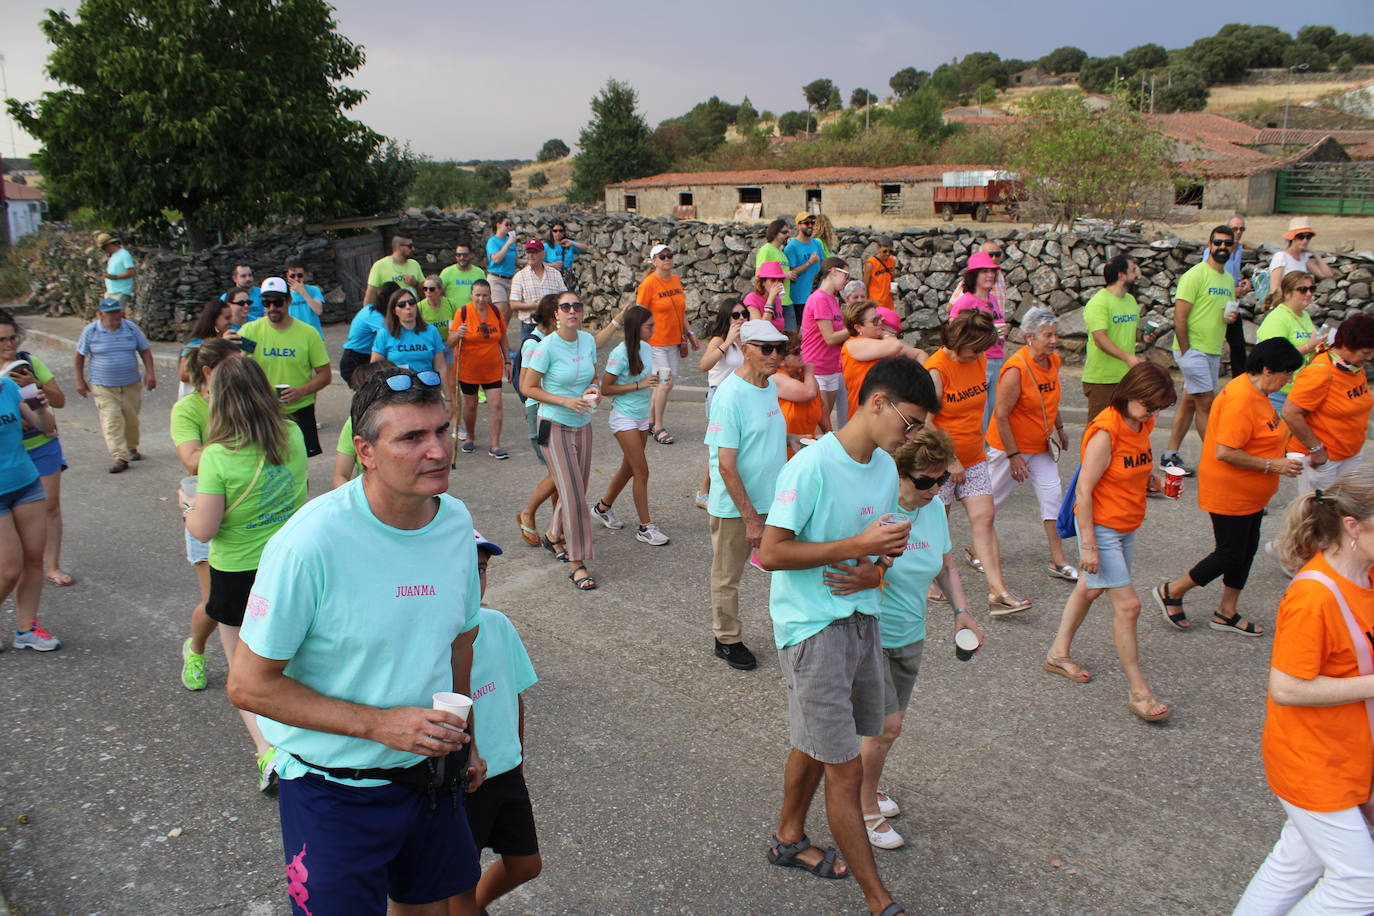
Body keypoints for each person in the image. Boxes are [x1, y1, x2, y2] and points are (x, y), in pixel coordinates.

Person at [228, 367, 486, 916]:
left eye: (442, 430)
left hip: (430, 776)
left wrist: (469, 738)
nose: (438, 450)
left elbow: (460, 642)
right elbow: (248, 686)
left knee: (428, 908)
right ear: (365, 451)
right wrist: (378, 724)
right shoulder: (309, 545)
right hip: (333, 792)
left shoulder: (455, 522)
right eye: (411, 437)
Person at [757, 356, 938, 916]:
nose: (913, 436)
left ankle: (789, 837)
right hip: (812, 630)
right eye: (910, 423)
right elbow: (771, 553)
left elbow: (885, 546)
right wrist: (857, 548)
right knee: (846, 766)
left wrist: (875, 570)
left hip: (863, 623)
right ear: (878, 402)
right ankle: (879, 901)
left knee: (819, 739)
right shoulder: (811, 466)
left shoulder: (884, 468)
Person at [1233, 466, 1374, 916]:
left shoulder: (1366, 575)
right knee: (1361, 887)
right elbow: (1288, 688)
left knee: (1294, 863)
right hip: (1313, 762)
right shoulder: (1314, 597)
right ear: (1353, 527)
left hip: (1344, 753)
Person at [182, 355, 309, 791]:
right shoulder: (292, 433)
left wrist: (187, 508)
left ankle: (268, 753)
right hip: (288, 562)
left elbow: (204, 528)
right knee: (291, 658)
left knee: (245, 671)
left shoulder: (217, 456)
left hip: (237, 570)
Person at [859, 429, 982, 850]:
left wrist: (962, 612)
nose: (935, 489)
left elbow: (946, 567)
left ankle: (865, 785)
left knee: (887, 729)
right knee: (885, 727)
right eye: (925, 481)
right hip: (870, 632)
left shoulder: (931, 511)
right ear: (899, 475)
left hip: (911, 634)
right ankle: (864, 808)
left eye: (942, 479)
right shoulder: (877, 513)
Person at [1045, 362, 1178, 723]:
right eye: (1149, 405)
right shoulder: (1106, 431)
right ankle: (1139, 693)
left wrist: (1152, 480)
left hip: (1125, 524)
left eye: (1158, 407)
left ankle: (1058, 653)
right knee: (1129, 607)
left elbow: (1132, 466)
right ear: (1130, 393)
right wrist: (1088, 545)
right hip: (1102, 528)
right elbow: (1084, 491)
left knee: (1090, 589)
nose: (1153, 413)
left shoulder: (1142, 423)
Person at [1152, 338, 1305, 637]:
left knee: (1245, 550)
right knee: (1230, 553)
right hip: (1230, 491)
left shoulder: (1259, 393)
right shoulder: (1241, 399)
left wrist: (1281, 456)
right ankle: (1172, 590)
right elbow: (1225, 452)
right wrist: (1274, 465)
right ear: (1267, 369)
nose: (1289, 379)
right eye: (1287, 373)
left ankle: (1226, 611)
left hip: (1252, 493)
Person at [925, 311, 1030, 615]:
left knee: (985, 518)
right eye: (975, 349)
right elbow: (925, 423)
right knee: (937, 524)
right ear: (959, 342)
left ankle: (998, 591)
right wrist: (950, 460)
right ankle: (929, 576)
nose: (980, 355)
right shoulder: (936, 369)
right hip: (940, 462)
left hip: (974, 457)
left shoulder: (979, 360)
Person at [463, 532, 542, 914]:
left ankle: (471, 906)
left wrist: (518, 756)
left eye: (480, 570)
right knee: (458, 877)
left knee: (526, 863)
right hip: (461, 783)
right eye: (462, 572)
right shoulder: (426, 644)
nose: (473, 581)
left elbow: (514, 694)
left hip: (505, 770)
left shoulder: (497, 625)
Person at [706, 320, 790, 671]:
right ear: (745, 349)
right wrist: (751, 518)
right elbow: (726, 466)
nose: (776, 356)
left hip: (774, 501)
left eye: (780, 349)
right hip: (737, 508)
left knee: (786, 568)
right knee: (727, 576)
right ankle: (726, 639)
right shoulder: (729, 396)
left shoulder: (768, 386)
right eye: (766, 349)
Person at [985, 307, 1077, 581]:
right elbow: (1001, 415)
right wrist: (1013, 455)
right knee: (990, 503)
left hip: (1040, 446)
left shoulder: (1053, 361)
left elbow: (1050, 398)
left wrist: (1060, 428)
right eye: (1047, 335)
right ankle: (977, 549)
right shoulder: (1016, 369)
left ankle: (1058, 560)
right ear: (1029, 337)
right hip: (1008, 447)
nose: (1054, 340)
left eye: (1055, 335)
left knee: (1053, 497)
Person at [170, 338, 241, 691]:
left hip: (246, 507)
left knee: (254, 600)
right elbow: (191, 459)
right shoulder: (187, 409)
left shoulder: (243, 398)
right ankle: (195, 649)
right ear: (209, 372)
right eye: (231, 366)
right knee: (216, 603)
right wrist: (239, 436)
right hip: (205, 507)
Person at [522, 291, 601, 591]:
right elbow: (528, 387)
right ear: (556, 314)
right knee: (573, 496)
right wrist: (564, 401)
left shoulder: (588, 341)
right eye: (565, 306)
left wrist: (594, 390)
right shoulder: (546, 347)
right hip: (553, 425)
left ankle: (553, 534)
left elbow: (593, 377)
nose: (572, 310)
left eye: (576, 306)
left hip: (583, 423)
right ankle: (576, 563)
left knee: (577, 487)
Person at [1, 311, 73, 587]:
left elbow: (57, 403)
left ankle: (51, 565)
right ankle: (16, 561)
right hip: (9, 455)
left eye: (12, 338)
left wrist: (35, 384)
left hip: (41, 444)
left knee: (51, 505)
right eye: (2, 340)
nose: (9, 344)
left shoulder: (26, 365)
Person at [1161, 224, 1240, 476]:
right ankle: (1216, 461)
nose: (1222, 247)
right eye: (1218, 243)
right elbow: (1179, 316)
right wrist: (1186, 352)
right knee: (1206, 402)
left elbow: (1219, 312)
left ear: (1233, 247)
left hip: (1212, 350)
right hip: (1193, 350)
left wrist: (1229, 318)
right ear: (1209, 245)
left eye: (1227, 243)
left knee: (1189, 402)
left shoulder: (1228, 280)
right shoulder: (1195, 275)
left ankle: (1170, 455)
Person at [591, 305, 668, 546]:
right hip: (623, 417)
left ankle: (603, 508)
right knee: (641, 471)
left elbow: (645, 379)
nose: (653, 330)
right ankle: (645, 527)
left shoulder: (646, 348)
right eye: (649, 326)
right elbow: (606, 388)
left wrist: (656, 381)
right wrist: (639, 385)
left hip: (641, 416)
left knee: (629, 468)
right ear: (636, 327)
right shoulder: (619, 353)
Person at [0, 363, 59, 650]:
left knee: (34, 558)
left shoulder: (10, 388)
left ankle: (26, 629)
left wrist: (41, 408)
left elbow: (46, 428)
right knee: (9, 569)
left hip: (25, 482)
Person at [239, 278, 332, 458]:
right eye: (266, 303)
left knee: (299, 464)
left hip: (299, 411)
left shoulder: (308, 334)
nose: (272, 308)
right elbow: (231, 366)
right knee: (263, 463)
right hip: (262, 410)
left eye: (277, 302)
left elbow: (325, 375)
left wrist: (301, 391)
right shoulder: (250, 332)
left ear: (289, 301)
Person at [1283, 313, 1374, 495]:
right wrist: (1316, 449)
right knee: (1320, 510)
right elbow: (1290, 413)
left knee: (1347, 507)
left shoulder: (1354, 367)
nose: (1370, 357)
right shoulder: (1321, 372)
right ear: (1347, 346)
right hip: (1323, 459)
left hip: (1350, 453)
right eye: (1366, 352)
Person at [74, 297, 156, 473]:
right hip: (103, 385)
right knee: (111, 419)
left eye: (117, 311)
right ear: (101, 314)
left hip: (130, 383)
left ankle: (131, 447)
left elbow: (145, 350)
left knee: (131, 418)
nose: (115, 316)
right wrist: (79, 380)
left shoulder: (131, 328)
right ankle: (120, 456)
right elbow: (79, 356)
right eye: (110, 313)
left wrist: (150, 374)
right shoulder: (91, 331)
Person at [638, 244, 697, 444]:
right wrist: (639, 342)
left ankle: (650, 419)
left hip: (673, 342)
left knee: (664, 384)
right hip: (655, 343)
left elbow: (680, 311)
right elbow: (639, 313)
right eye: (662, 257)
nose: (667, 259)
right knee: (665, 383)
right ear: (654, 261)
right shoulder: (648, 284)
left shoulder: (675, 280)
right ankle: (658, 426)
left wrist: (689, 333)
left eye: (669, 255)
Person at [514, 296, 561, 547]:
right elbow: (526, 385)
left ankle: (558, 525)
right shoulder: (534, 344)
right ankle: (528, 512)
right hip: (540, 412)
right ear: (553, 317)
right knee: (560, 472)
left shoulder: (553, 339)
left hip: (553, 410)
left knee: (557, 472)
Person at [693, 299, 748, 507]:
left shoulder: (746, 339)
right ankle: (704, 492)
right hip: (720, 397)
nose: (741, 318)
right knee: (720, 447)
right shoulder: (719, 339)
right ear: (726, 318)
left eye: (744, 314)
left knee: (736, 446)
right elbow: (703, 365)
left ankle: (724, 489)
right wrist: (728, 342)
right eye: (736, 315)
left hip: (741, 396)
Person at [840, 298, 927, 421]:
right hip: (865, 418)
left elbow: (920, 354)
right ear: (858, 327)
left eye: (880, 318)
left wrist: (921, 380)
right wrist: (886, 334)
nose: (881, 322)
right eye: (875, 321)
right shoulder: (852, 344)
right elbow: (895, 346)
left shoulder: (882, 344)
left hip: (889, 416)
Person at [948, 251, 1008, 429]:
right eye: (984, 271)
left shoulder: (992, 299)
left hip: (997, 359)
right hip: (979, 361)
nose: (990, 275)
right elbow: (954, 332)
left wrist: (1003, 331)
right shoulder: (966, 301)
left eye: (992, 271)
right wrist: (987, 334)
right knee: (980, 415)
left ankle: (987, 446)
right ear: (974, 275)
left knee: (993, 415)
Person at [451, 280, 510, 459]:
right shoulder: (462, 313)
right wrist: (458, 334)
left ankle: (495, 444)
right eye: (477, 295)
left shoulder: (495, 312)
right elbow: (450, 342)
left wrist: (508, 361)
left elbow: (503, 337)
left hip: (492, 368)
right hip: (468, 369)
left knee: (496, 404)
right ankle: (469, 437)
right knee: (470, 404)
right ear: (471, 295)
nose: (481, 299)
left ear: (490, 295)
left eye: (485, 295)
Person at [1081, 256, 1142, 426]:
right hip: (1102, 379)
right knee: (1099, 429)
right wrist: (1127, 357)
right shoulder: (1099, 303)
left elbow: (1130, 333)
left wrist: (1144, 337)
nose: (1137, 275)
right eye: (1133, 270)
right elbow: (1100, 339)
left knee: (1123, 428)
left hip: (1126, 378)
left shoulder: (1130, 301)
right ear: (1122, 275)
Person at [801, 258, 853, 431]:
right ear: (833, 271)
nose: (847, 280)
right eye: (846, 275)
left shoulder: (832, 299)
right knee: (820, 425)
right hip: (817, 368)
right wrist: (855, 327)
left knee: (824, 425)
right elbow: (830, 338)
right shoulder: (819, 299)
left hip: (831, 367)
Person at [1256, 271, 1320, 413]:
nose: (1309, 293)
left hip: (1300, 390)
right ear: (1287, 293)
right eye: (1303, 290)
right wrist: (1309, 346)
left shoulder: (1305, 315)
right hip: (1279, 392)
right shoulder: (1277, 318)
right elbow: (1274, 356)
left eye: (1312, 289)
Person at [331, 361, 393, 491]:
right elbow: (340, 475)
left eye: (358, 390)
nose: (354, 394)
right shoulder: (353, 423)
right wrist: (357, 500)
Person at [775, 330, 822, 454]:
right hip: (785, 453)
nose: (801, 353)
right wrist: (809, 372)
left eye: (800, 349)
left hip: (807, 449)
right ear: (781, 361)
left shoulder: (805, 376)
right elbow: (809, 393)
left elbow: (822, 408)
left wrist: (829, 434)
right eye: (796, 352)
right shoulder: (775, 377)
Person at [341, 284, 390, 390]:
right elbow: (390, 336)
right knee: (366, 393)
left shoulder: (370, 308)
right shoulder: (375, 316)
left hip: (357, 356)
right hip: (355, 359)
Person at [1220, 215, 1250, 380]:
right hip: (1216, 304)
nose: (1238, 232)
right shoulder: (1215, 251)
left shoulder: (1238, 250)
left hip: (1231, 304)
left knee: (1238, 345)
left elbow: (1233, 275)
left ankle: (1240, 381)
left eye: (1242, 229)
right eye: (1235, 229)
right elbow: (1209, 278)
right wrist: (1234, 290)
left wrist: (1242, 283)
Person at [1269, 216, 1334, 293]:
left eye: (1308, 237)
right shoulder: (1281, 257)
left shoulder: (1304, 258)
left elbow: (1326, 274)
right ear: (1292, 237)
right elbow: (1274, 288)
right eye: (1301, 237)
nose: (1305, 240)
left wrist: (1315, 253)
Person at [754, 219, 795, 329]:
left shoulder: (782, 253)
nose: (787, 235)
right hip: (774, 301)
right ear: (775, 233)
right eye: (784, 232)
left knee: (792, 336)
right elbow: (758, 275)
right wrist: (786, 275)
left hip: (786, 300)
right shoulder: (766, 250)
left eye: (788, 232)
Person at [363, 235, 424, 308]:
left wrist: (416, 283)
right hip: (389, 312)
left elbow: (426, 291)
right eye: (410, 246)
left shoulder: (414, 264)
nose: (413, 249)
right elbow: (370, 294)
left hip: (411, 310)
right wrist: (367, 312)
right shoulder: (380, 266)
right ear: (399, 247)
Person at [485, 213, 521, 326]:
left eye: (511, 225)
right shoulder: (493, 241)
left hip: (510, 279)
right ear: (498, 225)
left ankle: (502, 334)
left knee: (509, 312)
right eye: (507, 224)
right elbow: (496, 259)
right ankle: (496, 333)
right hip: (496, 278)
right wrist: (508, 244)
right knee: (501, 309)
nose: (509, 227)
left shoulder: (510, 242)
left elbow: (515, 260)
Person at [785, 213, 826, 307]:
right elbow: (791, 273)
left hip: (817, 296)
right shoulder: (791, 247)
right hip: (799, 299)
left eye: (813, 222)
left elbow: (823, 265)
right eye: (807, 223)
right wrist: (809, 263)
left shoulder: (817, 243)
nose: (810, 225)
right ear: (798, 225)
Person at [440, 242, 486, 315]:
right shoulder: (446, 272)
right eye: (458, 255)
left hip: (473, 315)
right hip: (452, 315)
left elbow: (485, 295)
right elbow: (438, 293)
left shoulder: (479, 273)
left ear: (471, 255)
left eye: (465, 255)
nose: (461, 258)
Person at [545, 221, 594, 289]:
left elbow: (585, 248)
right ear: (551, 232)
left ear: (564, 232)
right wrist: (552, 265)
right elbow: (539, 263)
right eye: (555, 231)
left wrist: (572, 243)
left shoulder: (568, 244)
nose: (558, 233)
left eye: (560, 231)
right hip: (553, 277)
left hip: (569, 277)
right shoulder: (546, 247)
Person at [284, 261, 325, 338]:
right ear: (287, 275)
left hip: (313, 336)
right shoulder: (284, 293)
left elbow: (318, 310)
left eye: (300, 275)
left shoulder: (314, 290)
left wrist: (302, 291)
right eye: (292, 276)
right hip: (293, 336)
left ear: (305, 275)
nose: (296, 278)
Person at [744, 261, 787, 331]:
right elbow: (761, 329)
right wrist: (770, 300)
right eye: (773, 280)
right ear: (763, 282)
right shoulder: (752, 299)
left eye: (780, 280)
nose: (777, 283)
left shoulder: (777, 299)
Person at [96, 231, 135, 306]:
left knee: (115, 312)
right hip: (111, 291)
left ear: (109, 245)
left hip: (121, 291)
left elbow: (131, 272)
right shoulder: (112, 256)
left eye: (104, 247)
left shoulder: (124, 254)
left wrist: (114, 277)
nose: (104, 250)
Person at [862, 236, 896, 311]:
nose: (887, 254)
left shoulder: (892, 261)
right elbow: (865, 286)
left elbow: (892, 279)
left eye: (890, 251)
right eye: (885, 251)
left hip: (888, 304)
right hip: (875, 304)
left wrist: (894, 290)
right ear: (878, 248)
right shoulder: (870, 264)